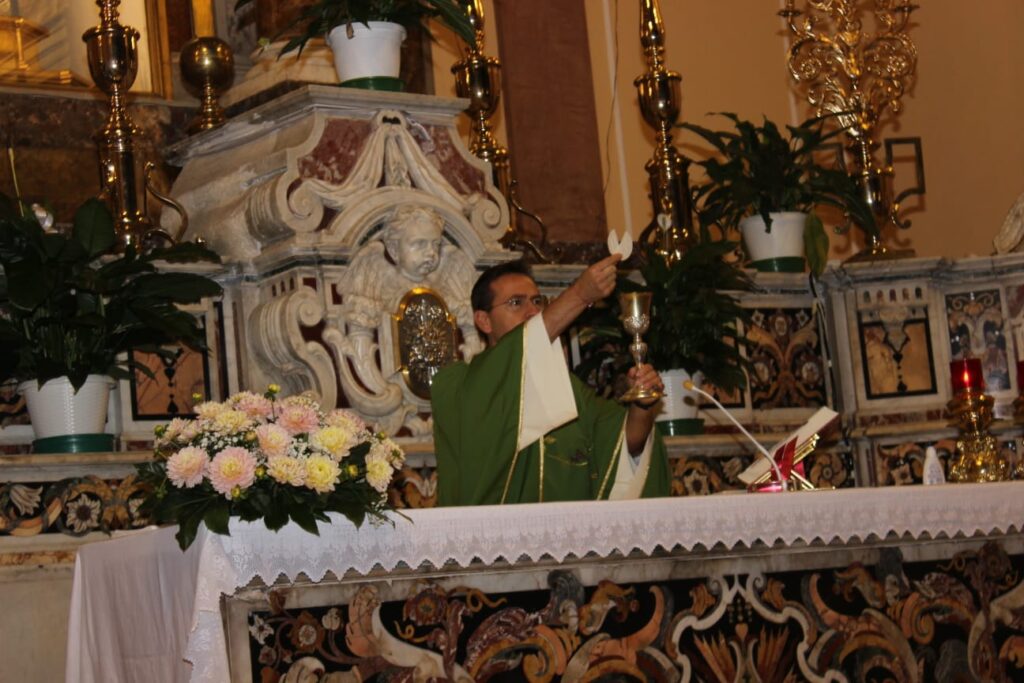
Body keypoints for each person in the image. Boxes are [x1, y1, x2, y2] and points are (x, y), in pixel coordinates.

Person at [431, 256, 671, 506]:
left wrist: (642, 405)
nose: (533, 311)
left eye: (537, 301)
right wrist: (580, 294)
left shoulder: (567, 387)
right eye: (516, 303)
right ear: (483, 320)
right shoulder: (459, 384)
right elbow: (517, 354)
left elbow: (623, 443)